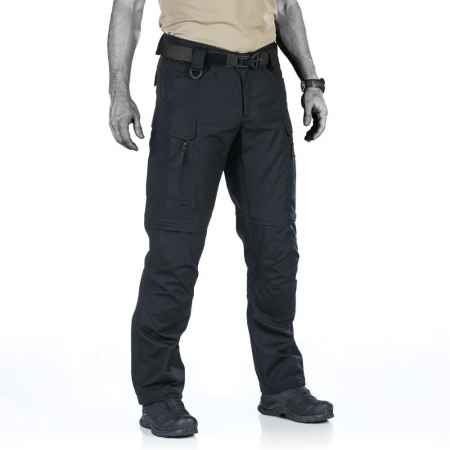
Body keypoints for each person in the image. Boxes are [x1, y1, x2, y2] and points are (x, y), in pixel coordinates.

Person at [108, 0, 333, 438]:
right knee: (175, 250)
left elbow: (285, 7)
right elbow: (128, 8)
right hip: (192, 83)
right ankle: (158, 394)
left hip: (264, 86)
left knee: (276, 246)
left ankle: (283, 386)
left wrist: (311, 82)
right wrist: (119, 92)